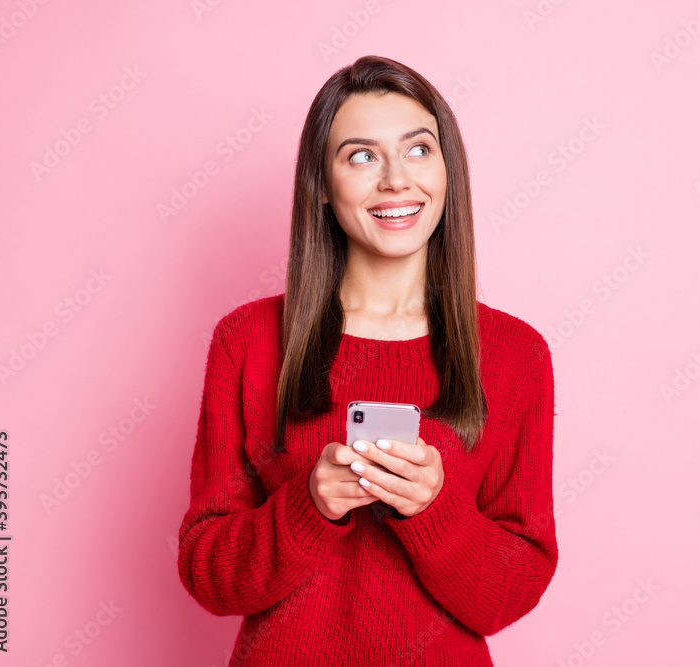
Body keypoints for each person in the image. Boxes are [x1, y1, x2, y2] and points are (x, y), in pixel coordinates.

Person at [177, 55, 558, 666]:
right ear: (323, 188)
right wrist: (309, 505)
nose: (395, 181)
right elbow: (208, 574)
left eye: (417, 150)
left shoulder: (514, 354)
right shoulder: (246, 341)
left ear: (446, 170)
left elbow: (510, 594)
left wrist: (437, 510)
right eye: (361, 156)